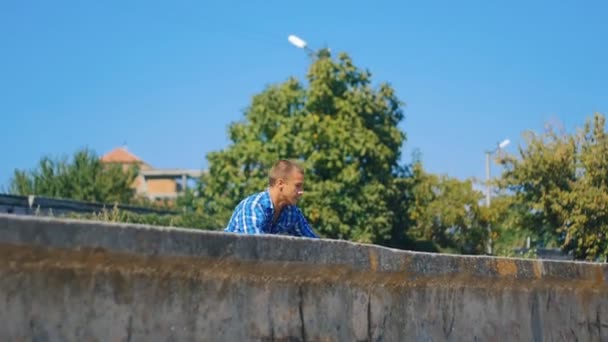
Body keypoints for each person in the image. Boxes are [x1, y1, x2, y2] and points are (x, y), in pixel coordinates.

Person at [224, 160, 318, 238]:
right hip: (226, 260)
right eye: (297, 186)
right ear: (280, 184)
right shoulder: (253, 206)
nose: (301, 191)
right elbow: (255, 247)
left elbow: (316, 245)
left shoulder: (292, 212)